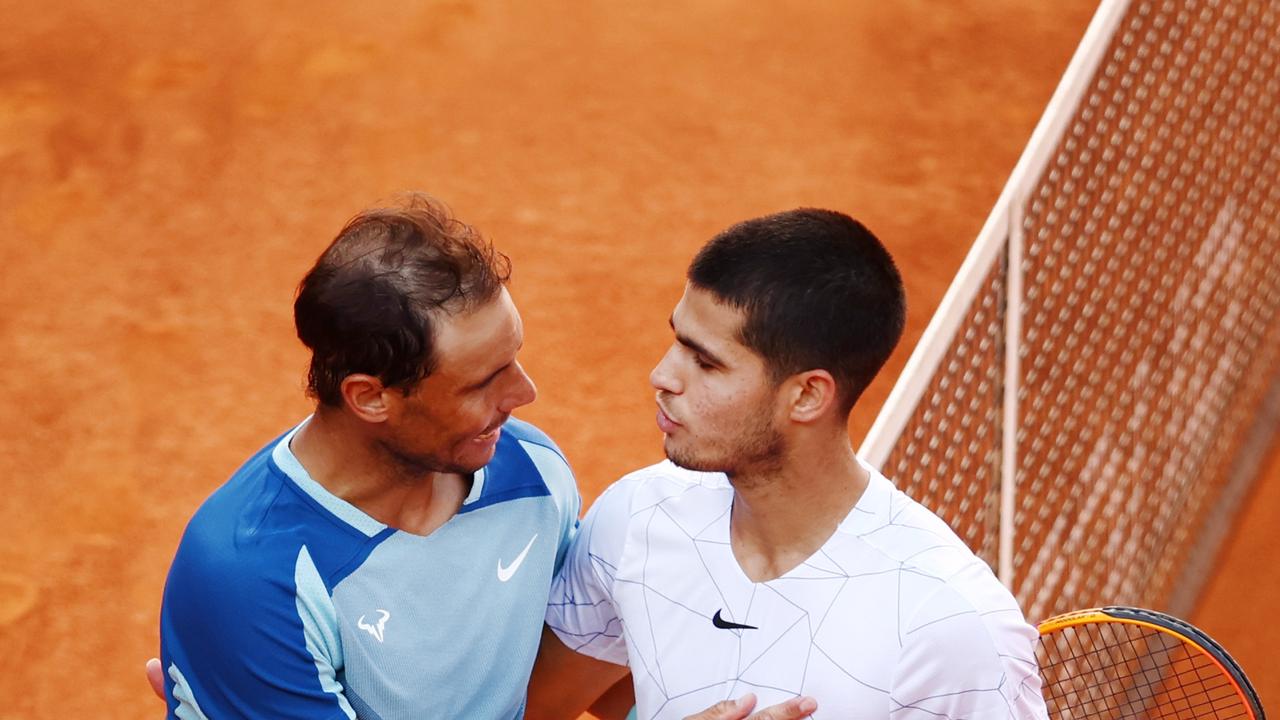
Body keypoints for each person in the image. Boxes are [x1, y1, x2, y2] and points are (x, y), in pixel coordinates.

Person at [154, 192, 814, 720]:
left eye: (514, 359)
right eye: (481, 381)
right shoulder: (252, 579)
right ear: (371, 397)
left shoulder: (527, 473)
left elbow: (578, 656)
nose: (525, 395)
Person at [529, 209, 1049, 720]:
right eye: (676, 341)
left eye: (706, 363)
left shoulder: (950, 629)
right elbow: (536, 708)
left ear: (806, 396)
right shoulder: (637, 520)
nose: (661, 375)